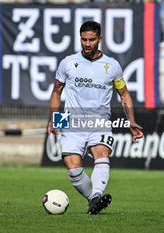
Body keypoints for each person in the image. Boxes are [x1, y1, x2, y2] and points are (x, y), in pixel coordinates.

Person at [48, 21, 143, 215]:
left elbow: (124, 94)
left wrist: (131, 121)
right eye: (84, 39)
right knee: (72, 167)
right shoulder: (68, 63)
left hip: (99, 121)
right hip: (71, 120)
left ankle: (97, 194)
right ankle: (94, 199)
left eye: (91, 39)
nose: (87, 44)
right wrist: (54, 118)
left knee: (102, 153)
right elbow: (57, 91)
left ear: (100, 39)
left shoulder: (112, 66)